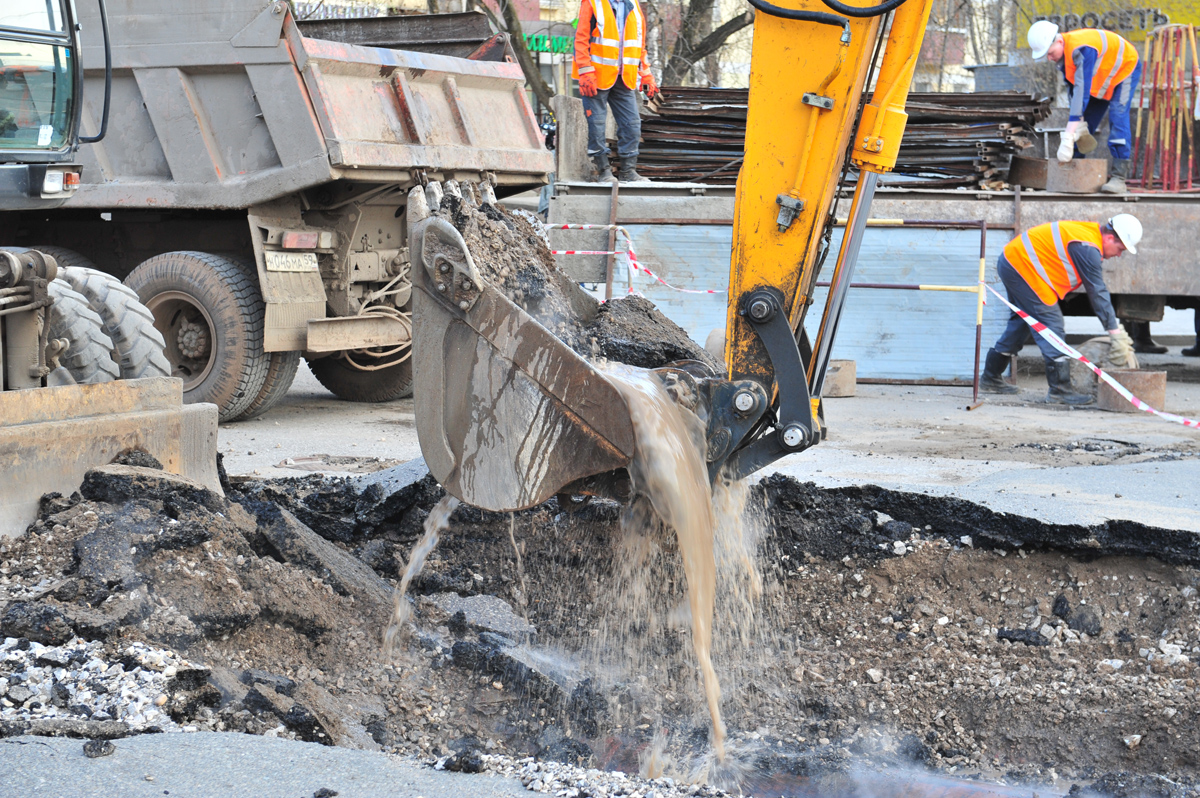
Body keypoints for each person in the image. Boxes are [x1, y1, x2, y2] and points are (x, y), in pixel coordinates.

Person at [980, 214, 1143, 404]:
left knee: (1023, 321)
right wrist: (1115, 332)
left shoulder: (1088, 236)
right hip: (1022, 266)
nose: (1119, 254)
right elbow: (1098, 292)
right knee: (1051, 324)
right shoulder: (1088, 248)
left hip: (1014, 261)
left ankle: (991, 377)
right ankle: (1060, 390)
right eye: (1120, 249)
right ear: (1109, 238)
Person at [1027, 20, 1141, 194]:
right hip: (1103, 76)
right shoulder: (1063, 59)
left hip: (1125, 69)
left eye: (1050, 53)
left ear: (1059, 42)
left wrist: (1068, 133)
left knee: (1118, 115)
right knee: (1083, 122)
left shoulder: (1081, 49)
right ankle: (1074, 170)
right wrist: (1077, 122)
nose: (1049, 58)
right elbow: (1073, 90)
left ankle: (1119, 178)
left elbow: (1082, 88)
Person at [572, 0, 658, 183]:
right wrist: (585, 70)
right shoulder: (594, 3)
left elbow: (639, 47)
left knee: (632, 125)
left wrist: (647, 75)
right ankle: (603, 170)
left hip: (624, 77)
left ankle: (628, 171)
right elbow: (580, 40)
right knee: (597, 126)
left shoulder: (634, 6)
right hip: (596, 77)